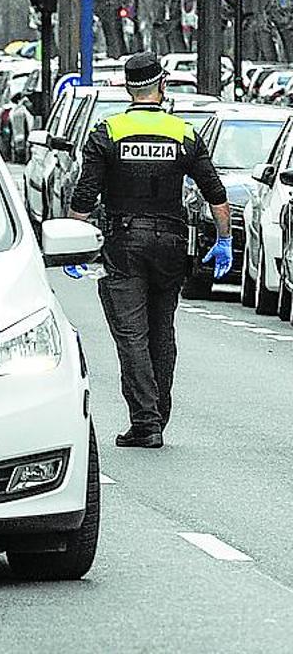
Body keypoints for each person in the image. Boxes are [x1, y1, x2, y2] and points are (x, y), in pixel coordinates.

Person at [70, 51, 231, 449]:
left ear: (127, 88)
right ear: (162, 86)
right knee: (163, 331)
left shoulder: (107, 132)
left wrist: (72, 245)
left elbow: (84, 196)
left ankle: (145, 422)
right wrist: (224, 239)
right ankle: (159, 414)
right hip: (173, 244)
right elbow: (216, 194)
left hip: (125, 243)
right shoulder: (185, 133)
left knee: (131, 335)